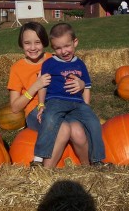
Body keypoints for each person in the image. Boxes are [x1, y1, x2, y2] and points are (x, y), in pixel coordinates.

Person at [7, 22, 90, 168]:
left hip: (62, 106)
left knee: (77, 129)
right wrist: (35, 86)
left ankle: (87, 167)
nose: (32, 48)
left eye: (37, 42)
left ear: (45, 42)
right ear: (21, 44)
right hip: (36, 112)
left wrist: (81, 85)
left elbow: (79, 76)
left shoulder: (55, 59)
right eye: (27, 43)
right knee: (63, 128)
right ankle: (46, 171)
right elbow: (15, 107)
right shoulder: (17, 69)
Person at [35, 23, 105, 166]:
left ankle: (97, 159)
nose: (64, 51)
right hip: (56, 101)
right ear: (53, 48)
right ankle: (39, 157)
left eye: (67, 46)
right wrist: (41, 104)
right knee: (49, 119)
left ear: (75, 42)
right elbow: (42, 86)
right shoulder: (49, 64)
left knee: (93, 122)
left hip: (78, 104)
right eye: (58, 48)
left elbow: (86, 86)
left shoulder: (80, 64)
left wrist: (86, 106)